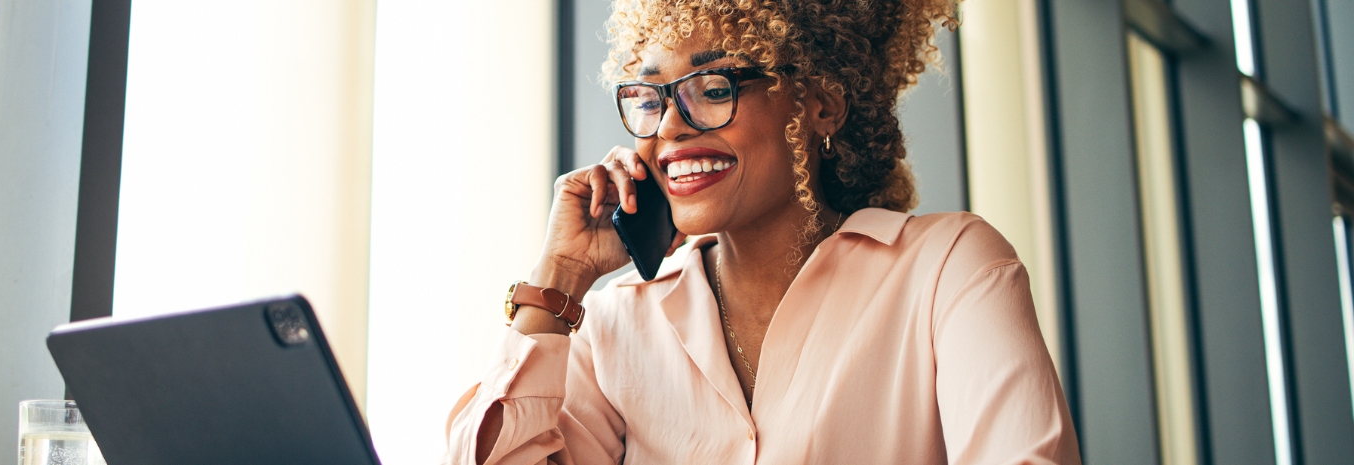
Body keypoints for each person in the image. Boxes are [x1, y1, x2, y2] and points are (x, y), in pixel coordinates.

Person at [445, 0, 1080, 463]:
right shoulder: (615, 329)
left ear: (820, 105)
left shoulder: (949, 270)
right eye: (651, 97)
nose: (670, 127)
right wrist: (560, 278)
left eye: (712, 87)